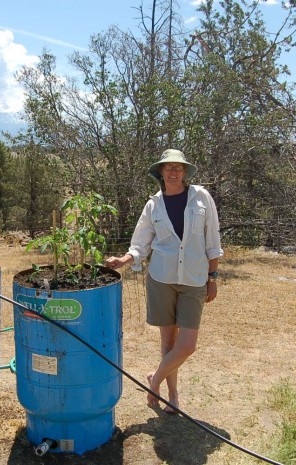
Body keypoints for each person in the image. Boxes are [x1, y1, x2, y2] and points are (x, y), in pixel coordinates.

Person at [105, 148, 223, 414]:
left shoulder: (201, 198)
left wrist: (212, 277)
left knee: (188, 344)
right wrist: (125, 260)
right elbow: (141, 243)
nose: (173, 171)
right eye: (168, 167)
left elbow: (213, 241)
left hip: (194, 278)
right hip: (161, 278)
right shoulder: (153, 205)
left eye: (178, 167)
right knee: (168, 341)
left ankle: (154, 380)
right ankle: (172, 396)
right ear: (161, 172)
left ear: (184, 172)